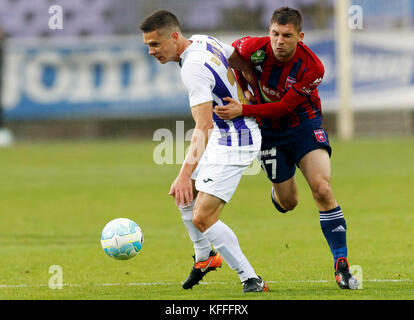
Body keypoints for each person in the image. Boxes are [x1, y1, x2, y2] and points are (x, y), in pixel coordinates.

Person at [214, 7, 358, 290]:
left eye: (287, 36)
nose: (279, 41)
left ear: (300, 37)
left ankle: (341, 264)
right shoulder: (254, 48)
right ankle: (278, 191)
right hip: (269, 132)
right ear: (269, 31)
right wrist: (245, 83)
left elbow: (283, 107)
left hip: (303, 123)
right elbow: (231, 55)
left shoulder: (312, 67)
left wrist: (243, 108)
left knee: (322, 188)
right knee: (288, 202)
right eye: (275, 34)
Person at [139, 10, 268, 293]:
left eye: (156, 44)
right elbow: (236, 57)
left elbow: (204, 125)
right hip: (224, 134)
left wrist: (184, 173)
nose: (151, 51)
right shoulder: (202, 40)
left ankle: (251, 279)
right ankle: (204, 256)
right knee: (184, 194)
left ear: (174, 37)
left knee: (202, 216)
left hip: (237, 140)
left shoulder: (193, 68)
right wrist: (247, 83)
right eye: (148, 45)